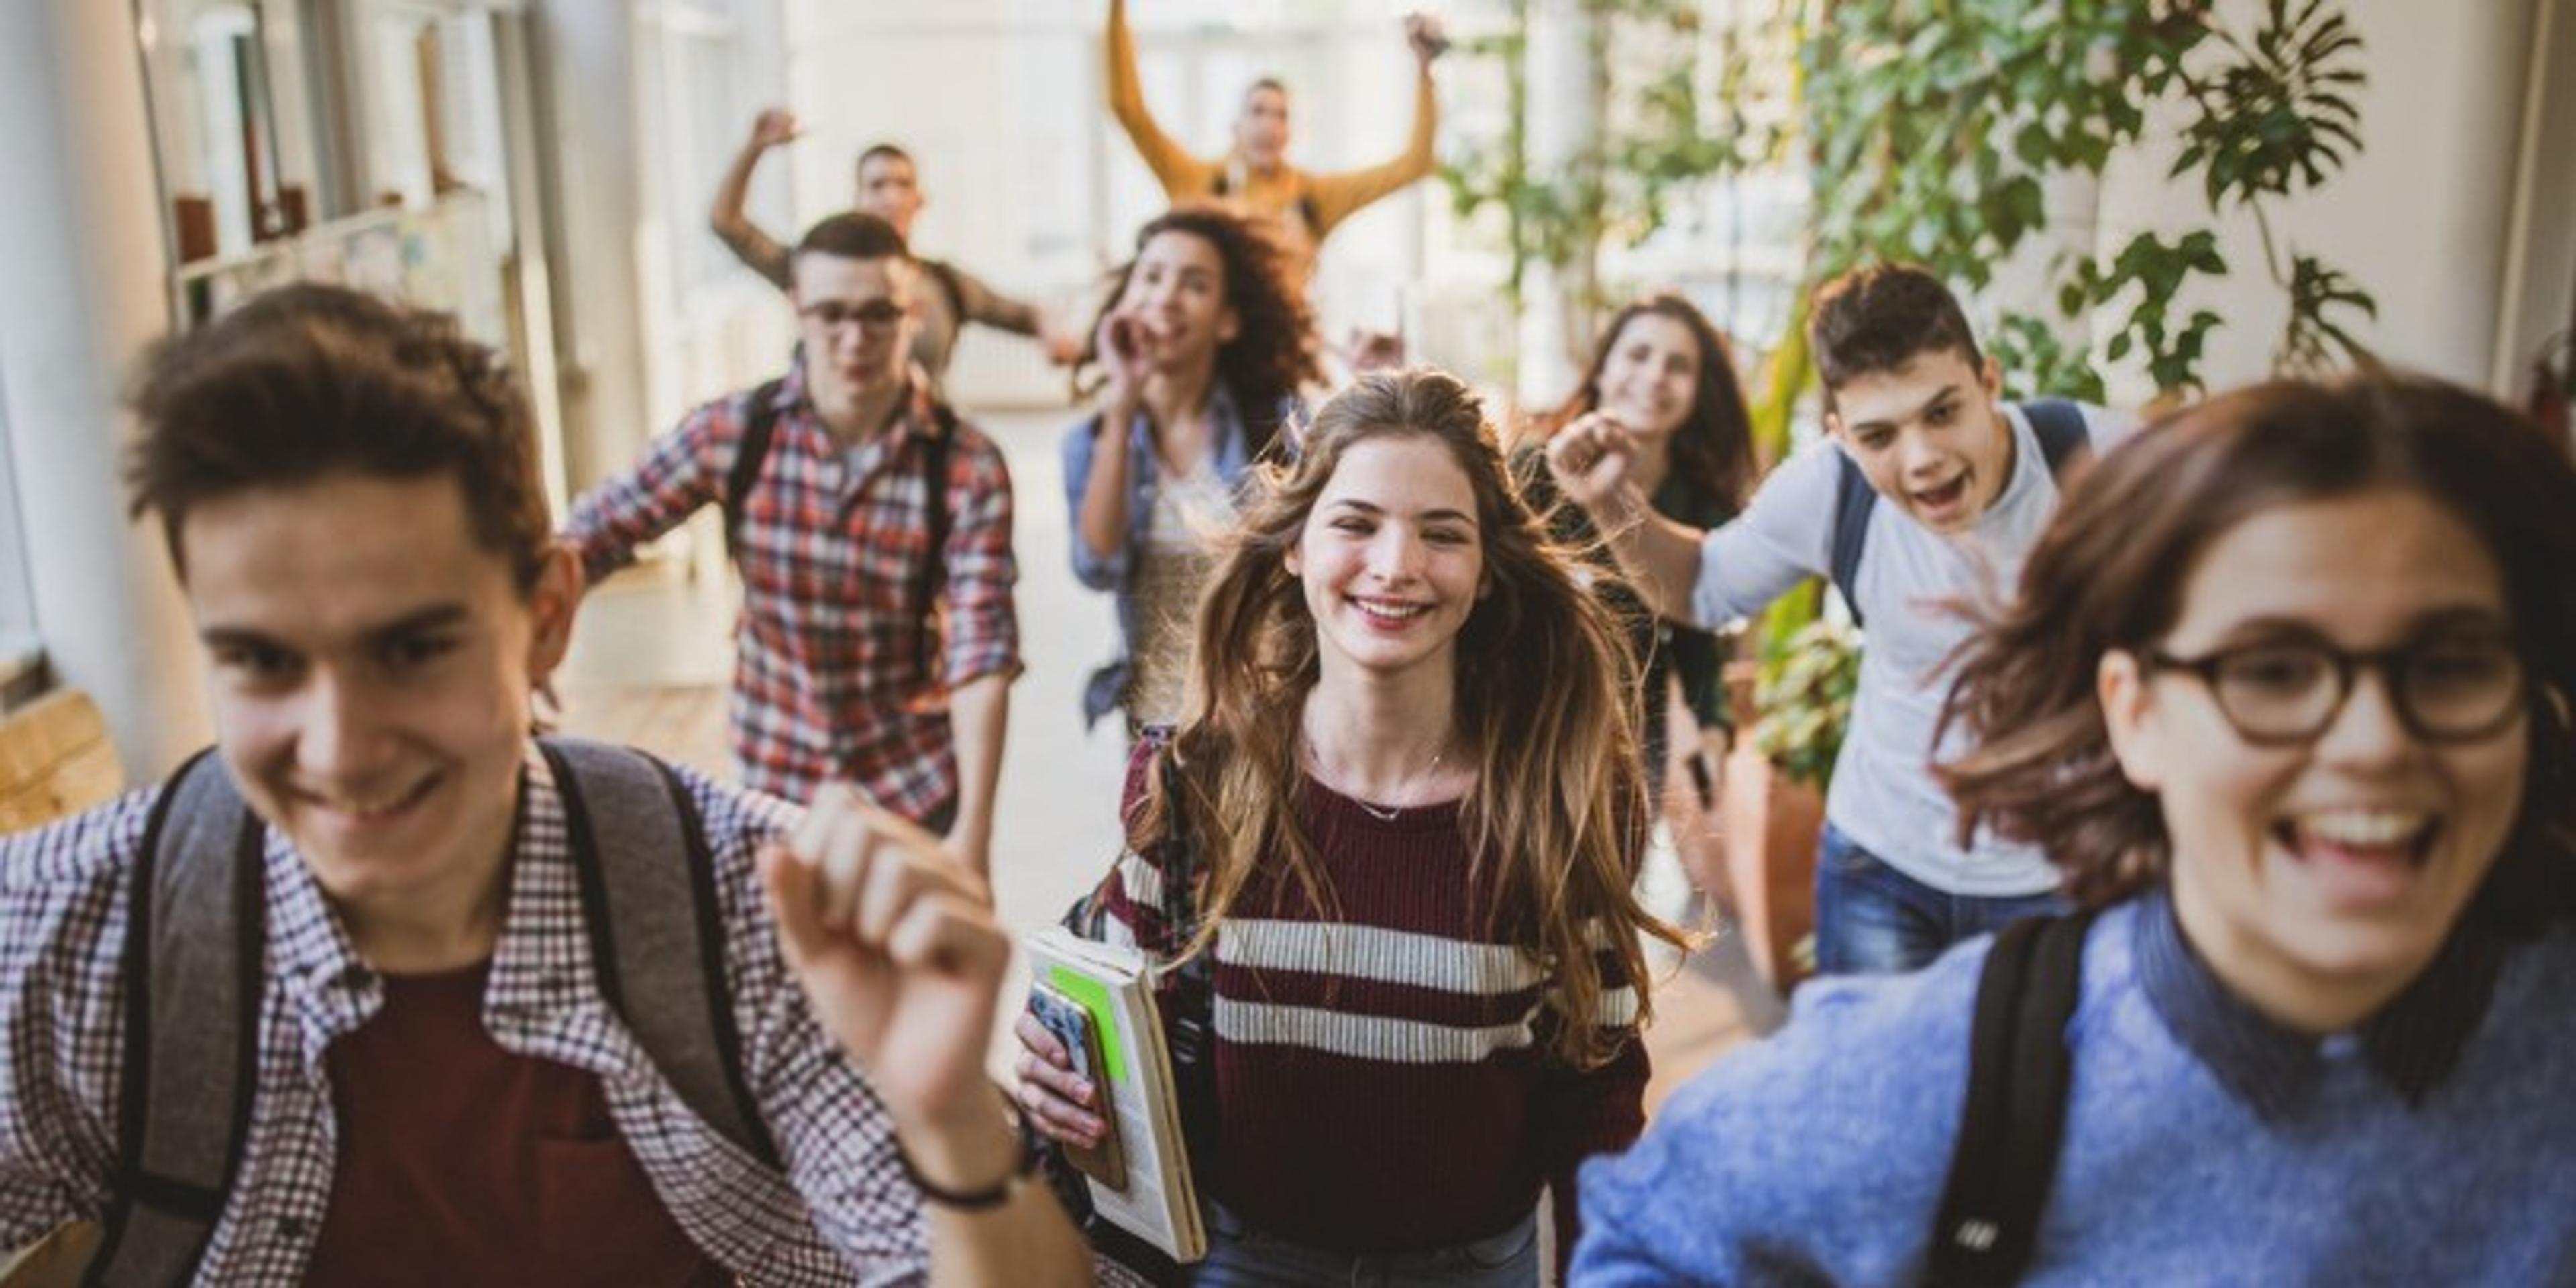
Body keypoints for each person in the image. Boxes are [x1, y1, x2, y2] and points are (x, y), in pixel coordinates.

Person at [0, 284, 1090, 1285]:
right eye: (262, 661)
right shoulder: (71, 932)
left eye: (412, 650)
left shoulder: (753, 920)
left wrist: (951, 1124)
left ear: (549, 620)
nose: (338, 748)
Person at [1576, 374, 2576, 1283]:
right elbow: (1659, 1233)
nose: (2374, 745)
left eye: (2450, 667)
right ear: (2134, 712)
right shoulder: (1958, 1073)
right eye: (2273, 672)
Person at [1021, 370, 1684, 1284]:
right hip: (1239, 1261)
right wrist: (1057, 1060)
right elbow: (1118, 1011)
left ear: (1488, 569)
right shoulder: (1200, 780)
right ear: (1294, 546)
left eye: (1442, 533)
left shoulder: (1557, 798)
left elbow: (1597, 1088)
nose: (1396, 564)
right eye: (1357, 523)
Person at [1548, 262, 2132, 976]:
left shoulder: (2102, 463)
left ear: (1990, 383)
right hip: (1880, 878)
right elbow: (1703, 587)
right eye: (1879, 435)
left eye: (1943, 412)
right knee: (1876, 1089)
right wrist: (1611, 502)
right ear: (1840, 434)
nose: (1922, 461)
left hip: (2061, 884)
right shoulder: (1828, 487)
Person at [564, 213, 1019, 878]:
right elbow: (591, 534)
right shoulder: (735, 433)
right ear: (797, 310)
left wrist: (973, 838)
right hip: (773, 789)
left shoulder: (964, 464)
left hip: (908, 791)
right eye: (831, 314)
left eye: (877, 315)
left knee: (905, 980)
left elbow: (982, 651)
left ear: (912, 314)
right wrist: (523, 646)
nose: (853, 338)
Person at [1519, 292, 1758, 874]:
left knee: (1607, 902)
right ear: (1603, 367)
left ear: (1699, 389)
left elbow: (1695, 631)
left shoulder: (1702, 505)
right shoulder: (1536, 470)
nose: (1655, 377)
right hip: (1523, 722)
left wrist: (1713, 726)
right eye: (1639, 355)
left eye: (1678, 366)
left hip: (1632, 737)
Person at [1061, 205, 1321, 732]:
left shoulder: (1276, 424)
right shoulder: (1092, 441)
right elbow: (1097, 564)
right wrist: (1123, 401)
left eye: (1194, 284)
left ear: (1227, 320)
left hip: (1268, 720)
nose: (1166, 297)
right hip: (1155, 727)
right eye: (1151, 277)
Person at [710, 109, 1081, 382]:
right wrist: (755, 148)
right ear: (857, 198)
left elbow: (1027, 313)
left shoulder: (946, 285)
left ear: (920, 199)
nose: (891, 196)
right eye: (877, 185)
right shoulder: (818, 272)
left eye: (903, 184)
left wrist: (1054, 332)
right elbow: (728, 225)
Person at [1104, 0, 1446, 277]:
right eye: (1258, 111)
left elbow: (1414, 165)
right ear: (1235, 127)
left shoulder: (1312, 197)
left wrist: (1424, 72)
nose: (1269, 125)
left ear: (1291, 132)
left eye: (1281, 115)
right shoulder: (1195, 182)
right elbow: (1127, 108)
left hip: (1284, 354)